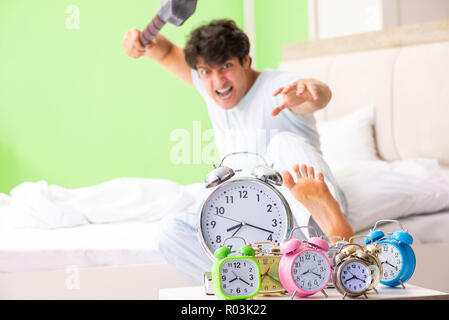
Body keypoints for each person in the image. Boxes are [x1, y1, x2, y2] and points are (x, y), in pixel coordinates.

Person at [122, 19, 354, 283]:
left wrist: (313, 90)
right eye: (206, 71)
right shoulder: (209, 86)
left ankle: (334, 240)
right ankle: (260, 282)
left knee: (282, 142)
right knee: (170, 230)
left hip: (300, 214)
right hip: (255, 224)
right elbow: (164, 51)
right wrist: (141, 40)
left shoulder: (280, 88)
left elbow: (316, 95)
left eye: (226, 67)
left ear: (246, 61)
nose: (218, 80)